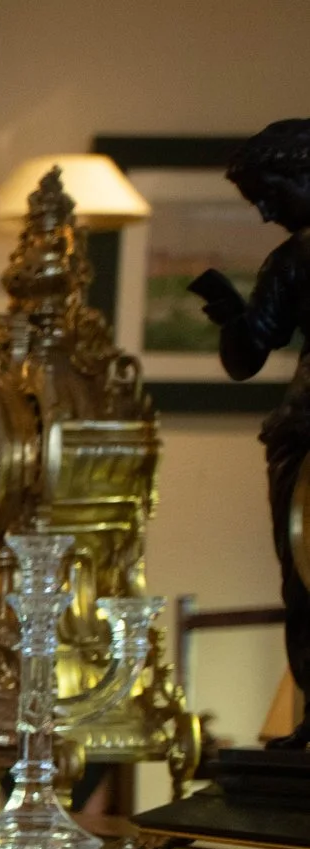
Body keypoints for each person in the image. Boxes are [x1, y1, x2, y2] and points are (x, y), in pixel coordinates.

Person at [192, 118, 310, 746]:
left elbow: (246, 355)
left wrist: (232, 314)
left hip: (302, 428)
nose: (266, 213)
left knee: (303, 578)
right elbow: (249, 356)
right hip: (299, 430)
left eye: (270, 194)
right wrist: (233, 312)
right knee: (300, 575)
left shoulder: (294, 258)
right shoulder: (290, 258)